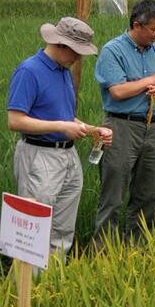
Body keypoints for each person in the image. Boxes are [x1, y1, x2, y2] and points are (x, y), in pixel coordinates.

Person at [7, 17, 110, 261]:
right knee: (35, 227)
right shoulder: (29, 71)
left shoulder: (63, 71)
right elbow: (15, 120)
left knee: (63, 228)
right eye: (76, 52)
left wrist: (91, 129)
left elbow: (64, 117)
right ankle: (26, 286)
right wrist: (60, 127)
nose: (78, 58)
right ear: (60, 44)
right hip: (39, 155)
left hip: (67, 156)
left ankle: (54, 280)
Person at [93, 0, 155, 240]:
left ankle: (138, 246)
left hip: (151, 127)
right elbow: (117, 92)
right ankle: (104, 249)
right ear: (136, 25)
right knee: (113, 192)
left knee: (145, 192)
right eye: (154, 29)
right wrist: (150, 81)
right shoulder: (113, 50)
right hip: (120, 126)